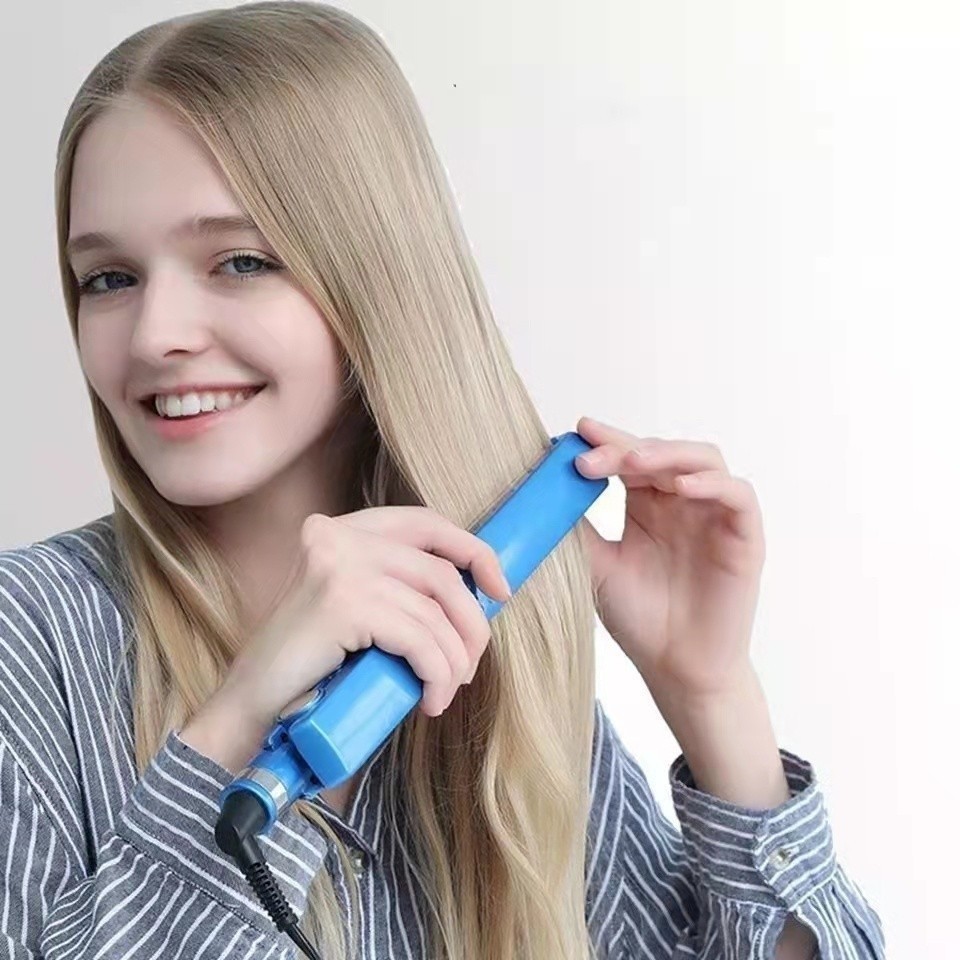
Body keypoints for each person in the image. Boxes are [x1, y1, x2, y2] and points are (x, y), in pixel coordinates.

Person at [0, 3, 885, 958]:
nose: (155, 334)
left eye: (241, 261)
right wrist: (240, 720)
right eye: (108, 279)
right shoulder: (33, 643)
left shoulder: (490, 657)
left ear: (375, 276)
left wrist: (709, 694)